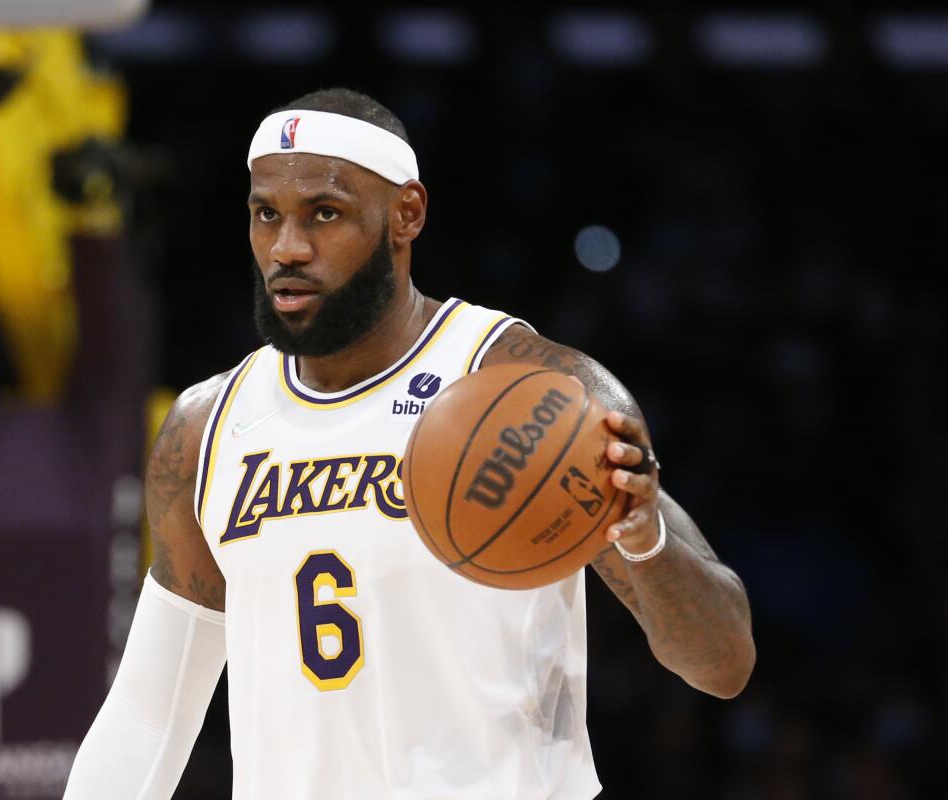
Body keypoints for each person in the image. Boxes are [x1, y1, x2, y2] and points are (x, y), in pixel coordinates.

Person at [63, 88, 755, 800]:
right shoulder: (206, 429)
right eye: (266, 214)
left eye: (324, 214)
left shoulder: (527, 386)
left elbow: (721, 663)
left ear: (406, 215)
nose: (287, 248)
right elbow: (147, 718)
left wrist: (644, 541)